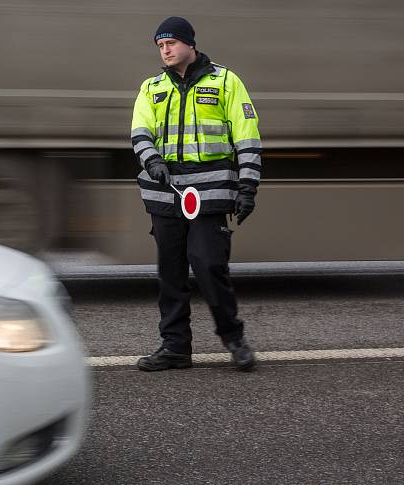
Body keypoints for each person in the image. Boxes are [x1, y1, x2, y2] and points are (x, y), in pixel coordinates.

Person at [131, 16, 261, 371]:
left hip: (210, 190)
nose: (166, 49)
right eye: (160, 45)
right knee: (170, 273)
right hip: (165, 192)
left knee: (209, 266)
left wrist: (248, 187)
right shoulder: (151, 87)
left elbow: (247, 139)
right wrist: (152, 160)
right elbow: (140, 132)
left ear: (189, 43)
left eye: (171, 42)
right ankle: (175, 348)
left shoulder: (226, 82)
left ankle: (234, 338)